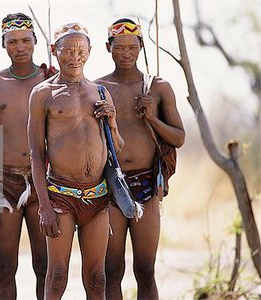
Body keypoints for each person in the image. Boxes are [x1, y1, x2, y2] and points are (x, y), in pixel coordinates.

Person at [28, 23, 125, 299]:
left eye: (81, 50)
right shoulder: (43, 94)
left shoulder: (100, 92)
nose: (74, 57)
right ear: (53, 51)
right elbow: (36, 153)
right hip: (61, 197)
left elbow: (117, 147)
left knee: (97, 279)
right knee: (57, 277)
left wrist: (113, 121)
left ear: (90, 52)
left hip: (97, 196)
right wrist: (44, 205)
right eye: (67, 50)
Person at [95, 18, 185, 299]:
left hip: (147, 184)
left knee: (145, 269)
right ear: (108, 47)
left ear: (141, 47)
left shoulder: (156, 87)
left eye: (132, 47)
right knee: (112, 270)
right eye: (119, 47)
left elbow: (178, 137)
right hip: (110, 185)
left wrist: (152, 118)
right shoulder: (96, 88)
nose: (126, 53)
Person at [0, 13, 56, 300]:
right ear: (3, 44)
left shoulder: (52, 79)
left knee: (45, 266)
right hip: (4, 181)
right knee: (5, 267)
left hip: (43, 182)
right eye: (12, 42)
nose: (19, 47)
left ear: (35, 41)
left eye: (25, 40)